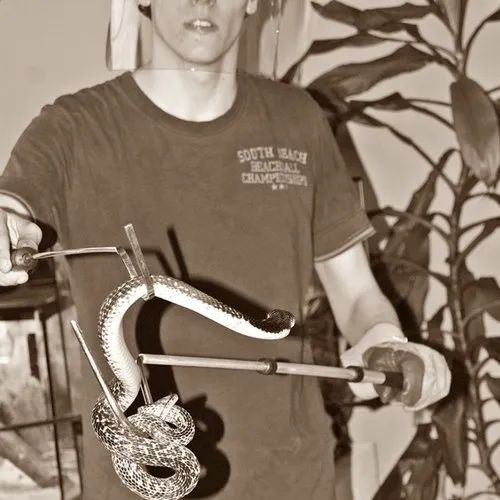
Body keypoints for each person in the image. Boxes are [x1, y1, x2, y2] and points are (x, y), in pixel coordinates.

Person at [0, 1, 451, 499]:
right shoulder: (72, 128)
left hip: (292, 478)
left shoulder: (298, 119)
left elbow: (357, 294)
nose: (203, 1)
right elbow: (14, 206)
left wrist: (389, 344)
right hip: (139, 482)